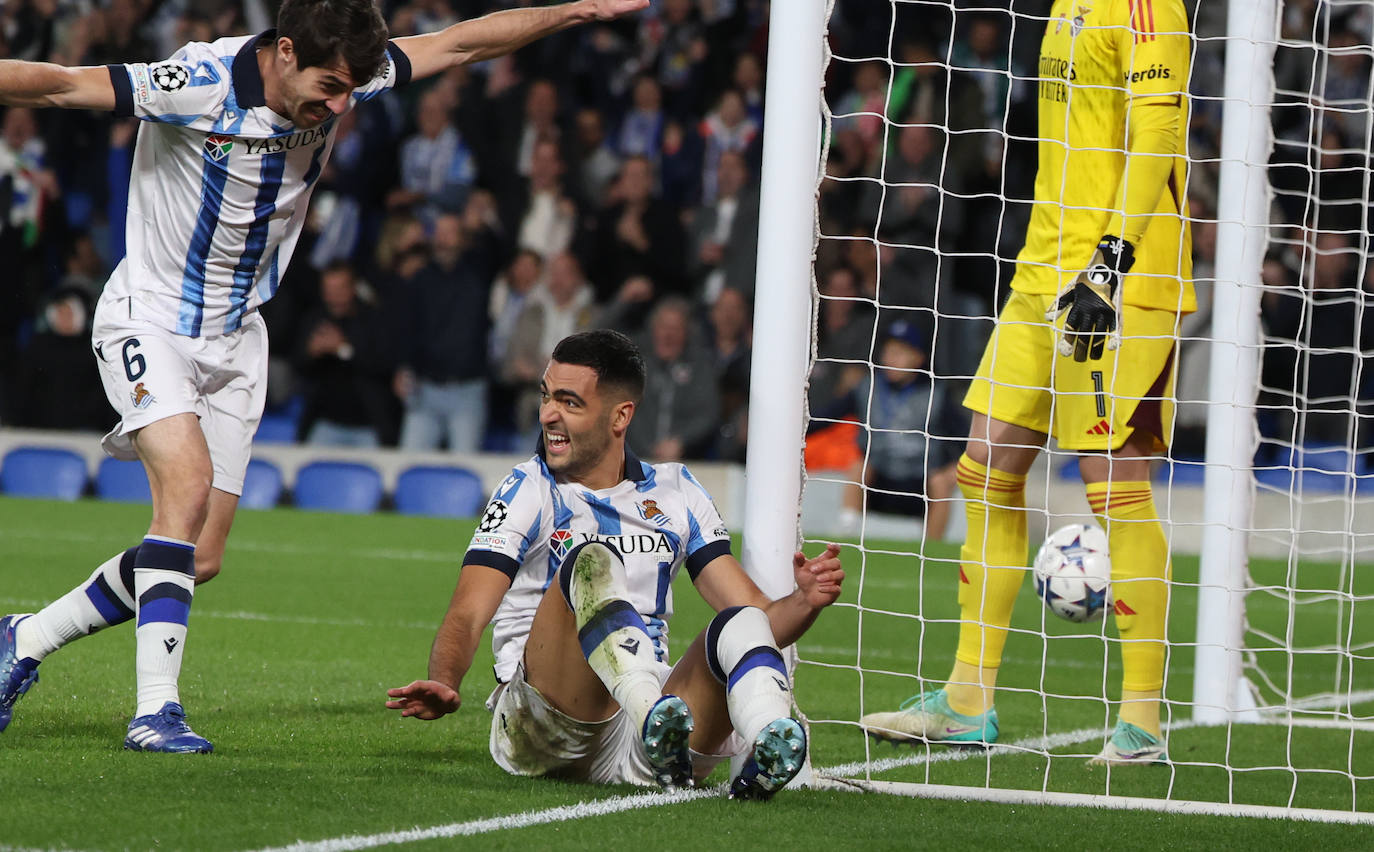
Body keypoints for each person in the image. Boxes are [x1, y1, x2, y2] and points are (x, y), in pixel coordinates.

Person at [0, 0, 649, 753]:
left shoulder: (352, 76)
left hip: (238, 339)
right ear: (281, 52)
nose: (341, 105)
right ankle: (156, 711)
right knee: (183, 491)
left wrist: (576, 10)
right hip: (148, 319)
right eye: (330, 87)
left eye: (351, 89)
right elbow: (53, 84)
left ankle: (25, 638)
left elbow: (462, 41)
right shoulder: (194, 82)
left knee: (198, 556)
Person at [860, 0, 1193, 766]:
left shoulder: (1147, 6)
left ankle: (1141, 722)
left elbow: (1158, 135)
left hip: (1119, 280)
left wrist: (1111, 259)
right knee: (983, 471)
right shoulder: (1062, 8)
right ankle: (968, 699)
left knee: (1114, 484)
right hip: (1040, 273)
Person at [385, 329, 845, 797]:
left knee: (741, 619)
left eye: (569, 402)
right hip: (548, 724)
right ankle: (652, 715)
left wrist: (805, 601)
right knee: (590, 561)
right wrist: (444, 680)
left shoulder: (677, 491)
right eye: (547, 397)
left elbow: (762, 620)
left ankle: (769, 740)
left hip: (651, 734)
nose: (548, 415)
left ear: (620, 415)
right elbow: (468, 609)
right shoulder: (528, 488)